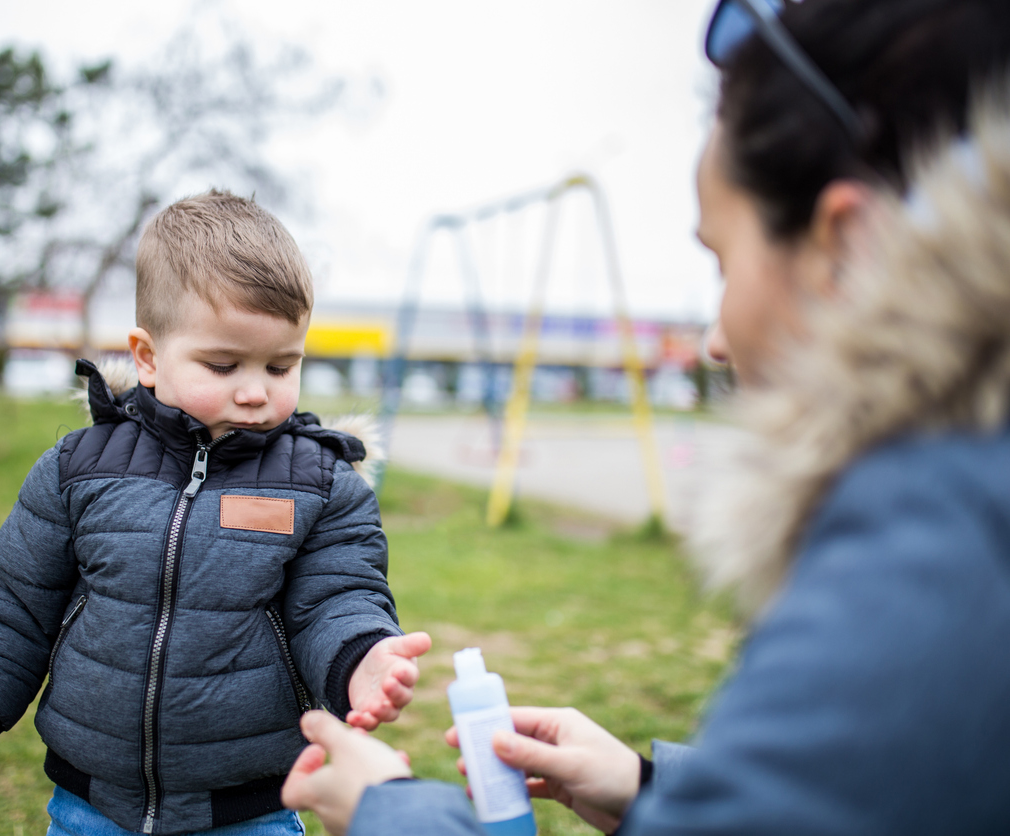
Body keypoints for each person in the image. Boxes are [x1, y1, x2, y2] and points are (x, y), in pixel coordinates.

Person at [281, 0, 1010, 833]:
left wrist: (388, 809)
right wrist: (652, 790)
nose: (713, 341)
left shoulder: (930, 568)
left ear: (844, 246)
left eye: (721, 261)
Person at [0, 190, 432, 836]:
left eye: (281, 364)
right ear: (148, 357)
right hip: (92, 807)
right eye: (223, 363)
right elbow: (14, 604)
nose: (254, 390)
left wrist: (363, 659)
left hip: (251, 808)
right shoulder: (82, 467)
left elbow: (335, 600)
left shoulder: (321, 485)